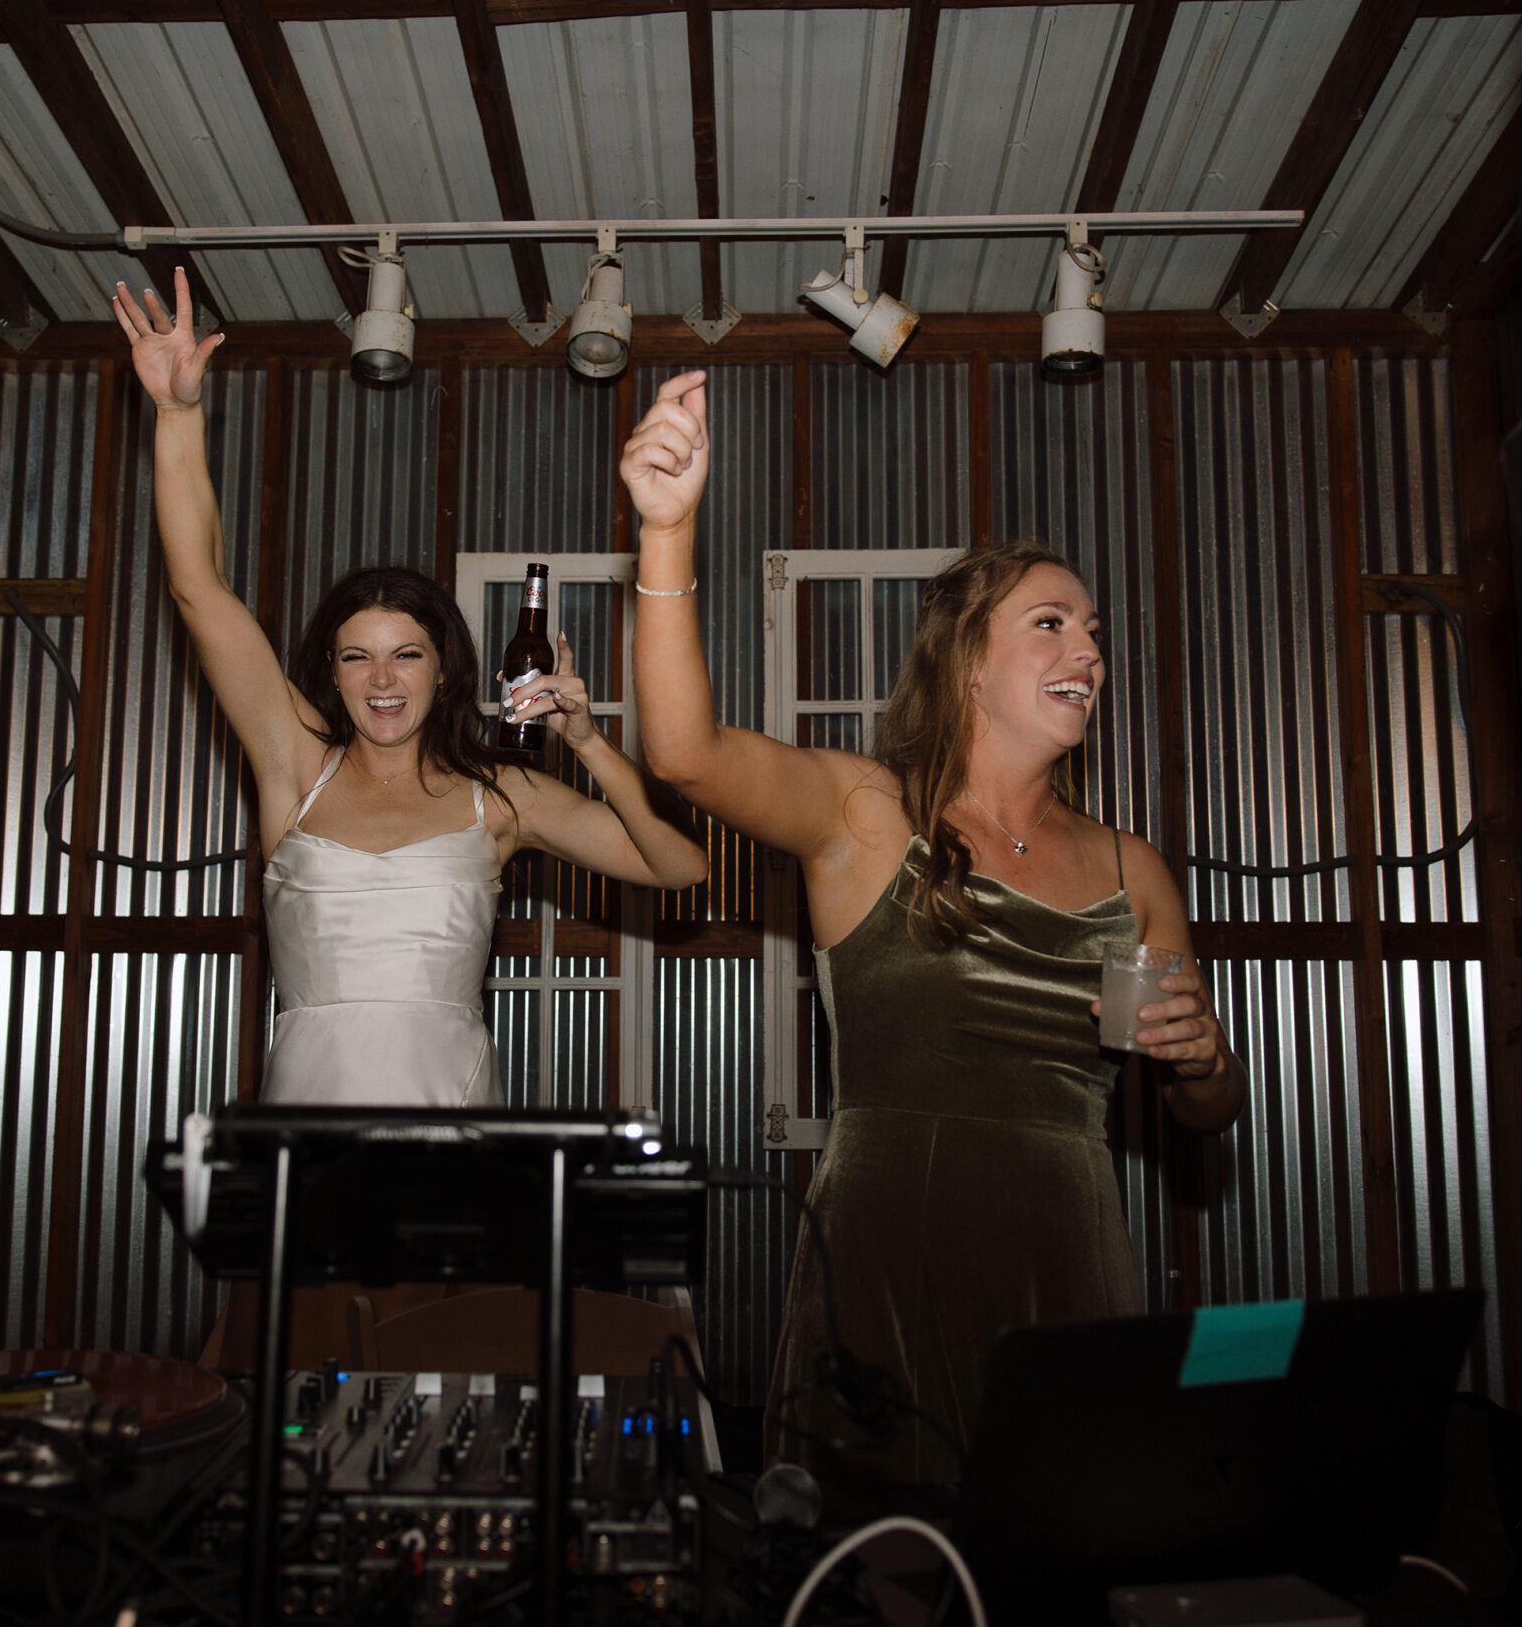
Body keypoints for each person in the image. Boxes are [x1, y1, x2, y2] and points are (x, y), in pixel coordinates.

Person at [622, 370, 1245, 1493]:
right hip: (887, 1252)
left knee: (1055, 1550)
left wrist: (1206, 1061)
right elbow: (683, 753)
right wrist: (665, 533)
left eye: (1094, 632)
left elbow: (1203, 1110)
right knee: (882, 1560)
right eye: (1051, 624)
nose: (1089, 654)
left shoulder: (1129, 868)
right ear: (967, 661)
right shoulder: (865, 814)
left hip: (1067, 1255)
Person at [116, 273, 706, 1104]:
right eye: (357, 658)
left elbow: (679, 870)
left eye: (407, 655)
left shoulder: (502, 797)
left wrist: (590, 745)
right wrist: (177, 415)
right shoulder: (292, 763)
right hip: (308, 1128)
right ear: (330, 672)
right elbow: (199, 591)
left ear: (445, 668)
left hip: (454, 1126)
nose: (383, 680)